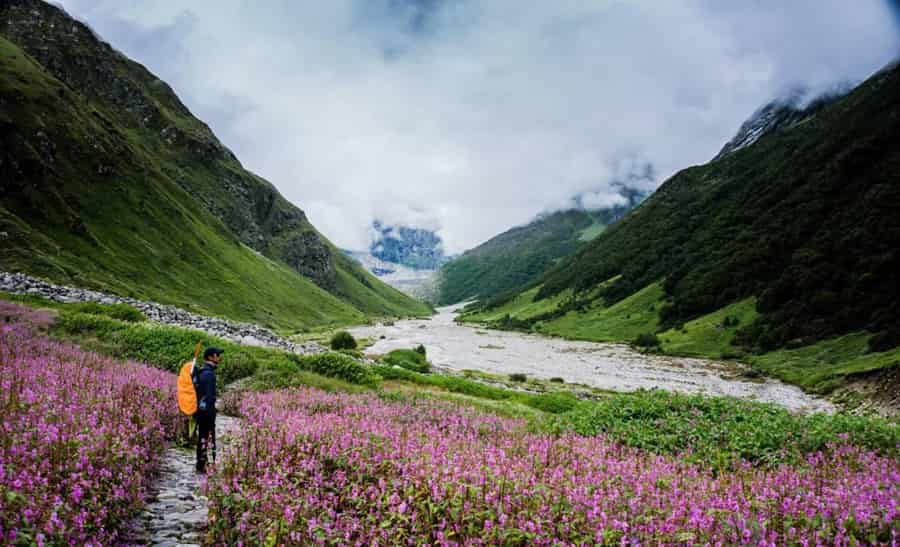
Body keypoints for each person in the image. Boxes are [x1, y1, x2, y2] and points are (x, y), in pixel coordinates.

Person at [195, 346, 223, 474]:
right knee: (206, 437)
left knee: (203, 436)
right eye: (217, 355)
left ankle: (201, 463)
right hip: (206, 412)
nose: (219, 357)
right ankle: (202, 465)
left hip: (201, 411)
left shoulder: (202, 371)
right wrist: (212, 412)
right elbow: (209, 396)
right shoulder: (209, 374)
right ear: (211, 357)